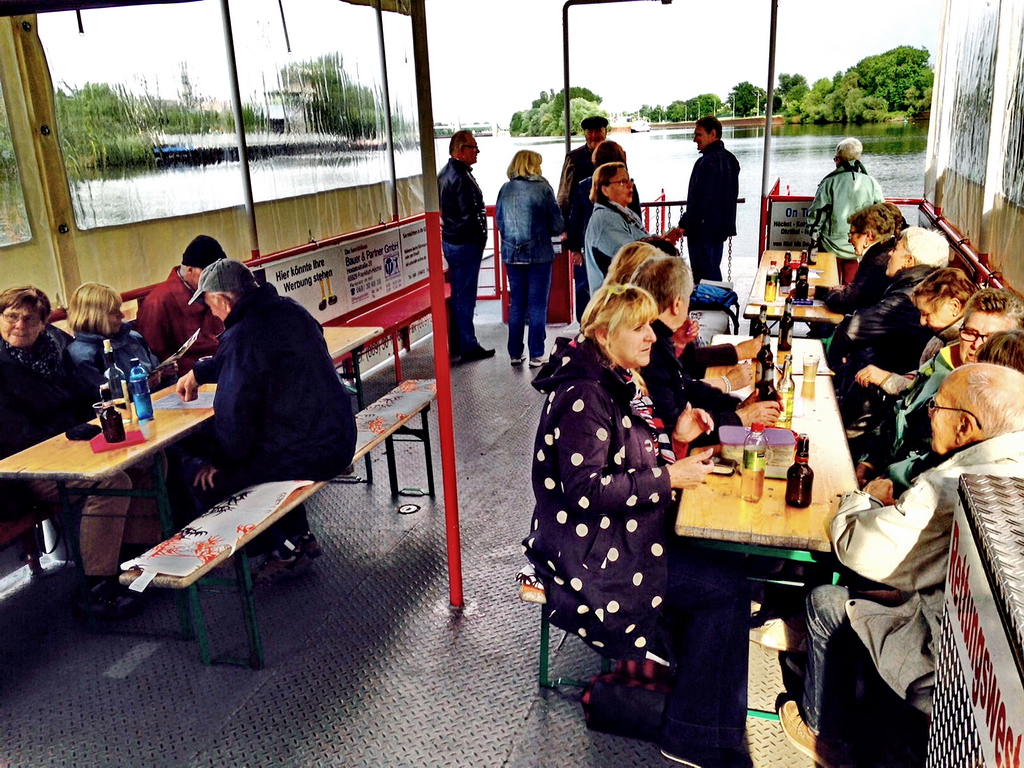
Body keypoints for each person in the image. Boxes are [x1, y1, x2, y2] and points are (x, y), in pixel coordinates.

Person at [523, 284, 752, 767]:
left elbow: (630, 459)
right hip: (593, 555)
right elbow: (585, 490)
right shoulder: (585, 394)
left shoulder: (612, 376)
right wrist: (671, 477)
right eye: (639, 327)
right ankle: (692, 734)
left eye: (650, 324)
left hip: (620, 534)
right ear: (605, 335)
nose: (652, 335)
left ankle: (697, 703)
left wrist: (678, 439)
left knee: (723, 571)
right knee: (726, 588)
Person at [781, 364, 1024, 766]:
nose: (929, 414)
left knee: (824, 602)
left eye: (936, 407)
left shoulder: (948, 484)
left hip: (943, 664)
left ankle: (826, 735)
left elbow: (856, 546)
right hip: (972, 648)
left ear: (965, 426)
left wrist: (867, 499)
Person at [175, 260, 357, 581]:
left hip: (311, 451)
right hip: (338, 434)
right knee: (264, 453)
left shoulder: (243, 335)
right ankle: (299, 535)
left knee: (207, 479)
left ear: (222, 300)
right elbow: (247, 358)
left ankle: (281, 549)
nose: (210, 312)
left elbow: (234, 423)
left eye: (208, 303)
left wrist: (215, 461)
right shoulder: (290, 311)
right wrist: (199, 372)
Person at [0, 286, 156, 619]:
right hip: (28, 471)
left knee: (147, 462)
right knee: (113, 482)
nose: (20, 325)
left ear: (44, 323)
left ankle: (134, 561)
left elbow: (83, 397)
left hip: (74, 447)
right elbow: (14, 437)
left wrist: (90, 423)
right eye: (11, 316)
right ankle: (96, 587)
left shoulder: (57, 346)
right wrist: (70, 434)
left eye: (30, 319)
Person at [876, 287, 1024, 495]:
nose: (977, 346)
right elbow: (899, 409)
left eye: (991, 338)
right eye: (970, 333)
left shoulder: (994, 416)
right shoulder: (940, 362)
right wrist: (869, 461)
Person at [632, 255, 781, 441]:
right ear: (677, 304)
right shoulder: (649, 349)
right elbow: (674, 430)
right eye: (689, 298)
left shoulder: (661, 338)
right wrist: (739, 418)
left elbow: (685, 387)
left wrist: (737, 407)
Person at [828, 227, 950, 419]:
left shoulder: (907, 298)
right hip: (880, 379)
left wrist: (840, 356)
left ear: (909, 261)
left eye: (896, 249)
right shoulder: (916, 287)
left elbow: (850, 330)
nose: (890, 254)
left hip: (879, 396)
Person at [495, 150, 564, 367]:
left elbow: (499, 220)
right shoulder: (543, 188)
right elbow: (557, 224)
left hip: (511, 255)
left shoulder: (505, 189)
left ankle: (515, 353)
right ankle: (536, 354)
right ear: (533, 165)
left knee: (517, 304)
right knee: (537, 304)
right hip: (539, 255)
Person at [565, 140, 641, 322]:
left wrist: (575, 249)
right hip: (616, 257)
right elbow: (636, 220)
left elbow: (575, 220)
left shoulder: (582, 186)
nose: (628, 185)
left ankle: (585, 325)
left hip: (588, 248)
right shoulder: (627, 189)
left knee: (586, 289)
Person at [437, 130, 494, 362]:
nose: (478, 151)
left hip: (451, 241)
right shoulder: (461, 177)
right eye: (474, 147)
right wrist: (480, 239)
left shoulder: (444, 174)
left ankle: (459, 342)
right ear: (461, 150)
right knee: (465, 296)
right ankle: (468, 345)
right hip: (465, 244)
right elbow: (470, 214)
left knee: (459, 294)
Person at [135, 234, 226, 375]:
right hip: (188, 377)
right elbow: (152, 357)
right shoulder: (157, 302)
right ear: (190, 270)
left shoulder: (211, 290)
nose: (215, 278)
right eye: (209, 272)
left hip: (218, 366)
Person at [807, 137, 885, 285]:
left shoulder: (829, 182)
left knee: (828, 284)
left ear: (838, 160)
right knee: (851, 285)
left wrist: (813, 236)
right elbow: (881, 212)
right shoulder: (871, 182)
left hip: (831, 245)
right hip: (859, 245)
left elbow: (817, 214)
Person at [66, 282, 166, 390]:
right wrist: (140, 387)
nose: (122, 315)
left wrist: (163, 373)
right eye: (114, 312)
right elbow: (103, 395)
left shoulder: (134, 338)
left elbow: (155, 368)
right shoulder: (82, 357)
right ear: (96, 317)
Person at [676, 116, 740, 283]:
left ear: (713, 134)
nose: (694, 139)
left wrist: (684, 223)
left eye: (698, 134)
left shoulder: (706, 162)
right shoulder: (731, 160)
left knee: (704, 277)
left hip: (703, 230)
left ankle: (714, 299)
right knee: (712, 269)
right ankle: (718, 296)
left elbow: (700, 200)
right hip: (720, 229)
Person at [815, 202, 901, 315]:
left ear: (868, 235)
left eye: (852, 234)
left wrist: (831, 292)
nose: (850, 240)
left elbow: (845, 303)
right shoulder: (885, 251)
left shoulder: (874, 263)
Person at [583, 162, 649, 294]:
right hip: (614, 301)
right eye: (622, 182)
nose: (630, 185)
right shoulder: (605, 219)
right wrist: (661, 248)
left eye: (630, 180)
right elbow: (633, 256)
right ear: (605, 190)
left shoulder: (624, 212)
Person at [556, 114, 608, 217]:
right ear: (585, 134)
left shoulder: (616, 154)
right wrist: (563, 221)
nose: (594, 135)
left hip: (610, 218)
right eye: (590, 132)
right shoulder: (573, 158)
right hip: (581, 217)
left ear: (605, 132)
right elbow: (564, 193)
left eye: (598, 131)